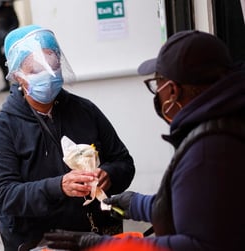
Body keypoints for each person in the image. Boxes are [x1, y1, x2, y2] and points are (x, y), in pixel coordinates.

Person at [44, 30, 245, 251]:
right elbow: (193, 207)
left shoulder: (208, 151)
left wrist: (108, 245)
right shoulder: (221, 124)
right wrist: (137, 204)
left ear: (173, 89)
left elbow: (195, 245)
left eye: (157, 83)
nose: (157, 92)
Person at [0, 24, 135, 251]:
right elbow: (4, 195)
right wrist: (59, 187)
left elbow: (124, 162)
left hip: (94, 235)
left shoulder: (85, 111)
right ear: (17, 76)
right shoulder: (4, 128)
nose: (49, 74)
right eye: (36, 70)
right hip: (37, 241)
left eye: (53, 66)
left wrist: (109, 175)